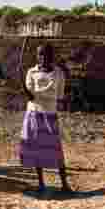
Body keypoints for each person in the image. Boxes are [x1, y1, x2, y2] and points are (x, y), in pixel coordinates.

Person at [19, 43, 73, 194]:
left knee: (56, 150)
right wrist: (30, 90)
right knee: (37, 149)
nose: (43, 57)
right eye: (40, 54)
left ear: (52, 55)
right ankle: (41, 183)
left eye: (46, 54)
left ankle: (64, 184)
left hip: (49, 115)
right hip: (33, 114)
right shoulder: (31, 72)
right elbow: (30, 96)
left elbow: (60, 97)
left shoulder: (59, 73)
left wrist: (38, 94)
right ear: (37, 56)